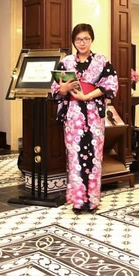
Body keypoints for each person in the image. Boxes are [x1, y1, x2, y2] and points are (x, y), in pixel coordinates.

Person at [51, 24, 118, 214]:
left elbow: (111, 85)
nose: (82, 43)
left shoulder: (102, 61)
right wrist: (63, 89)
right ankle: (78, 201)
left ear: (91, 40)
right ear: (73, 41)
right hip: (73, 117)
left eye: (86, 39)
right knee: (74, 157)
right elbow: (55, 90)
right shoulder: (66, 63)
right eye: (78, 39)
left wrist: (87, 96)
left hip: (93, 115)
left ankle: (93, 200)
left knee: (95, 157)